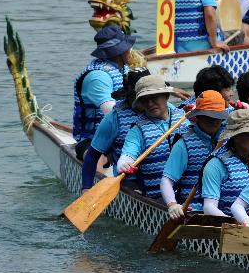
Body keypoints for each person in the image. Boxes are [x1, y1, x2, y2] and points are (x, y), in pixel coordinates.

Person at [116, 76, 187, 199]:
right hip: (158, 199)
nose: (149, 104)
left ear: (166, 96)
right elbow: (127, 155)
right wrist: (123, 164)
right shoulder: (137, 130)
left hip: (189, 196)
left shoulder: (185, 118)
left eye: (154, 98)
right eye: (144, 100)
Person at [161, 91, 229, 217]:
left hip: (224, 209)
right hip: (193, 211)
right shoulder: (184, 143)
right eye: (210, 117)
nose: (215, 121)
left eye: (218, 117)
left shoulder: (227, 137)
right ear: (198, 116)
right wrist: (172, 204)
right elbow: (166, 180)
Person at [81, 67, 150, 189]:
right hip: (131, 185)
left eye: (148, 96)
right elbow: (92, 156)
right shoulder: (114, 118)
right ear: (128, 95)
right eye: (140, 96)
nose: (147, 102)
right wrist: (86, 188)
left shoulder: (164, 110)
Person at [72, 25, 134, 156]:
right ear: (119, 52)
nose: (131, 50)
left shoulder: (121, 68)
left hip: (122, 134)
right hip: (93, 139)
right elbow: (112, 114)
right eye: (128, 47)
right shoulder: (97, 77)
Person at [200, 109, 249, 217]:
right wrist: (237, 223)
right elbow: (209, 207)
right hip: (229, 227)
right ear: (236, 136)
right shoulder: (215, 164)